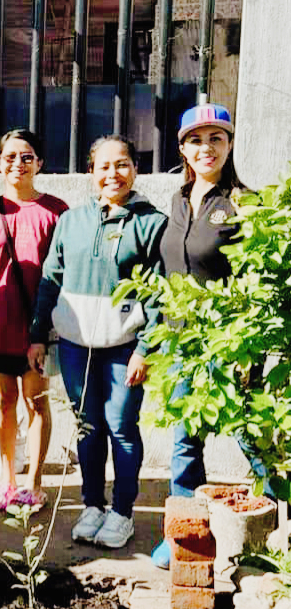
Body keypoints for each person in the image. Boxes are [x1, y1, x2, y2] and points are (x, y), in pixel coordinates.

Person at [27, 135, 167, 548]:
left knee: (121, 427)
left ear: (134, 170)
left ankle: (122, 512)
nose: (113, 174)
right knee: (88, 427)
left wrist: (146, 347)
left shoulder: (150, 223)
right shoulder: (72, 220)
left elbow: (159, 293)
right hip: (74, 345)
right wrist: (38, 336)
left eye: (122, 164)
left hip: (125, 347)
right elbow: (50, 280)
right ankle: (92, 504)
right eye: (103, 167)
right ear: (91, 173)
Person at [149, 103, 250, 568]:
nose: (205, 148)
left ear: (229, 145)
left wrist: (246, 350)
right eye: (195, 140)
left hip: (226, 342)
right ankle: (183, 537)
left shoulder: (245, 203)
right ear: (182, 149)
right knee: (185, 441)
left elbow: (255, 279)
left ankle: (270, 533)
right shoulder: (176, 199)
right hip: (179, 343)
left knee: (252, 436)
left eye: (216, 138)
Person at [0, 129, 68, 511]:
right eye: (9, 157)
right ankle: (6, 480)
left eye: (26, 157)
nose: (18, 164)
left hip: (37, 328)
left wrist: (49, 328)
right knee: (2, 404)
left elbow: (62, 275)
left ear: (39, 163)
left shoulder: (57, 212)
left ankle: (33, 483)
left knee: (36, 403)